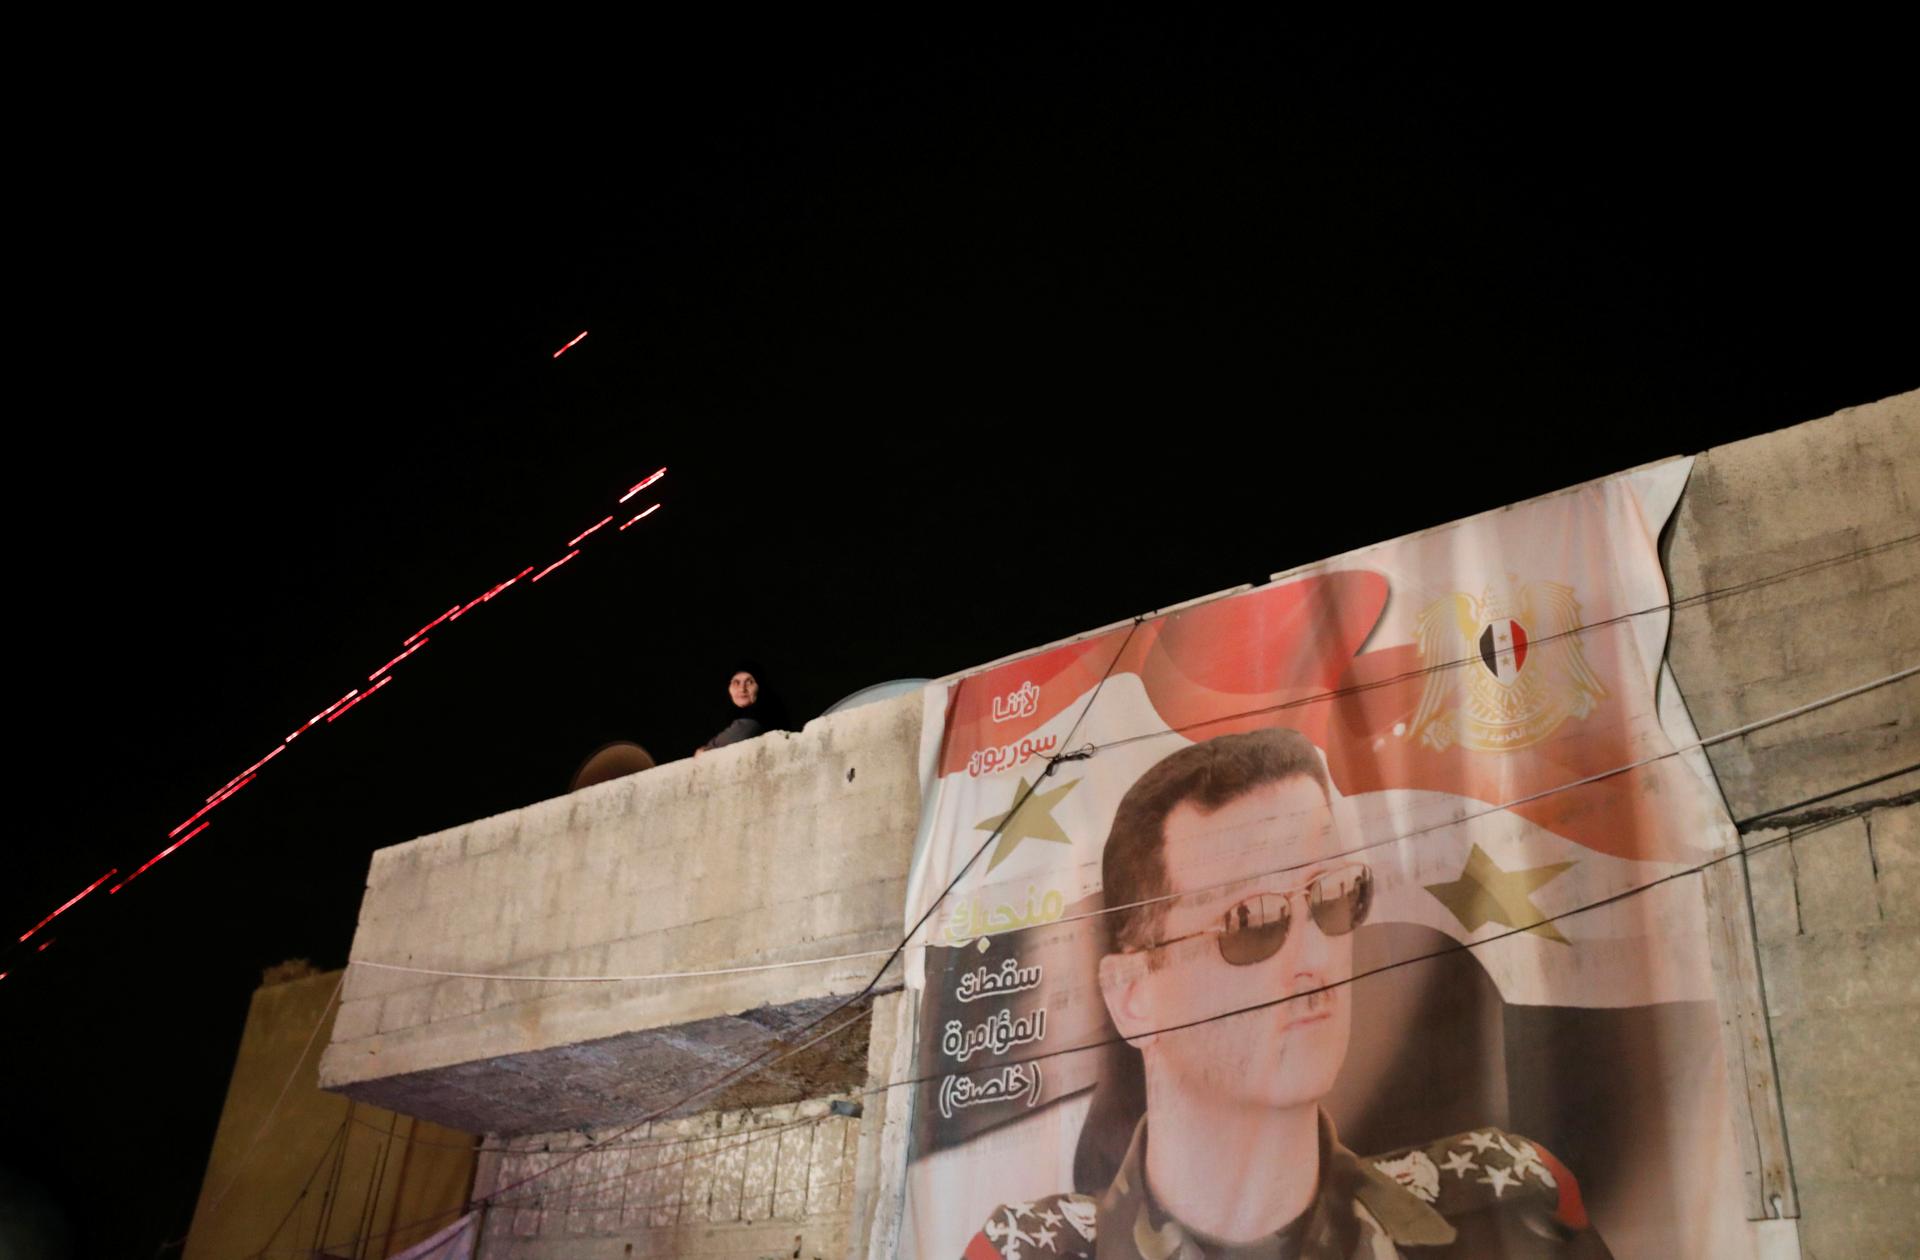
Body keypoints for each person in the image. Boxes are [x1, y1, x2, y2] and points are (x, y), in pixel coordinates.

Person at [962, 728, 1608, 1259]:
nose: (1315, 960)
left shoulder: (1507, 1198)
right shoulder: (1033, 1252)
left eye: (1333, 898)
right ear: (1133, 996)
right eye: (1252, 921)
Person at [694, 664, 787, 755]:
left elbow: (744, 730)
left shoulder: (766, 711)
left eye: (749, 682)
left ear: (760, 686)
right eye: (736, 683)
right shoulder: (729, 716)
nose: (742, 689)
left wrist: (709, 748)